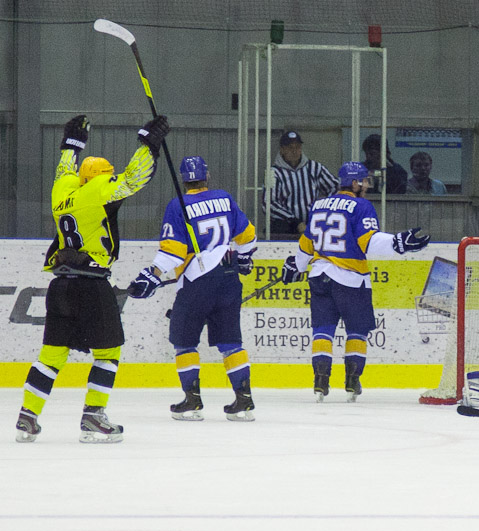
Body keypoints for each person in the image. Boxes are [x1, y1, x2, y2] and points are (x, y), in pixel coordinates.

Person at [15, 114, 167, 443]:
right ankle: (93, 417)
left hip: (61, 285)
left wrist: (71, 145)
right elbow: (133, 179)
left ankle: (28, 415)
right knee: (108, 352)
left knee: (51, 355)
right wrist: (148, 145)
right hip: (92, 285)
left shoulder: (63, 192)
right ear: (100, 178)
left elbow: (64, 171)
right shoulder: (100, 191)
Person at [280, 161, 429, 402]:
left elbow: (306, 243)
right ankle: (352, 381)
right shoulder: (361, 206)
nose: (367, 185)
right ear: (354, 182)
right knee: (357, 331)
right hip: (350, 280)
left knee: (322, 330)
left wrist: (296, 266)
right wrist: (397, 243)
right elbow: (368, 242)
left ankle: (320, 380)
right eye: (365, 180)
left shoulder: (318, 205)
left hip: (319, 277)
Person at [127, 156, 259, 422]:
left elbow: (173, 252)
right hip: (228, 278)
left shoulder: (178, 205)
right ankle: (244, 400)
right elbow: (248, 237)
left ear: (183, 180)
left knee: (184, 340)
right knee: (230, 342)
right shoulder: (224, 198)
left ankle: (192, 402)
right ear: (206, 176)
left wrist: (151, 275)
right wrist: (244, 258)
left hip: (197, 281)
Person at [270, 129, 338, 240]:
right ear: (282, 150)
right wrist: (295, 222)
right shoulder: (274, 173)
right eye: (290, 148)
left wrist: (324, 210)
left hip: (314, 223)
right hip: (287, 227)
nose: (294, 151)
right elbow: (269, 204)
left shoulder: (314, 168)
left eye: (297, 147)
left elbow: (335, 187)